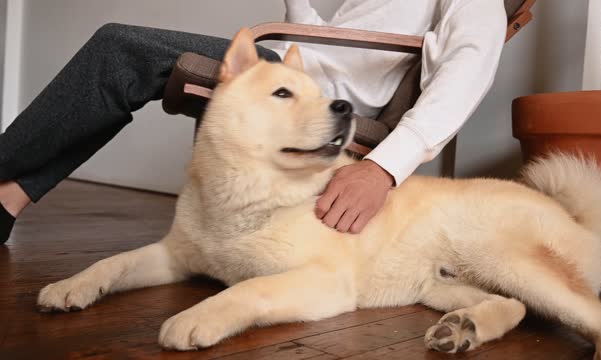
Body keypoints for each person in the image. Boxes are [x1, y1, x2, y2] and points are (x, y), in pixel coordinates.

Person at [0, 0, 507, 243]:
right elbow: (319, 45)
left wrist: (382, 168)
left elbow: (468, 70)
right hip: (290, 68)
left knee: (120, 49)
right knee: (124, 57)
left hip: (313, 99)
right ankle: (8, 198)